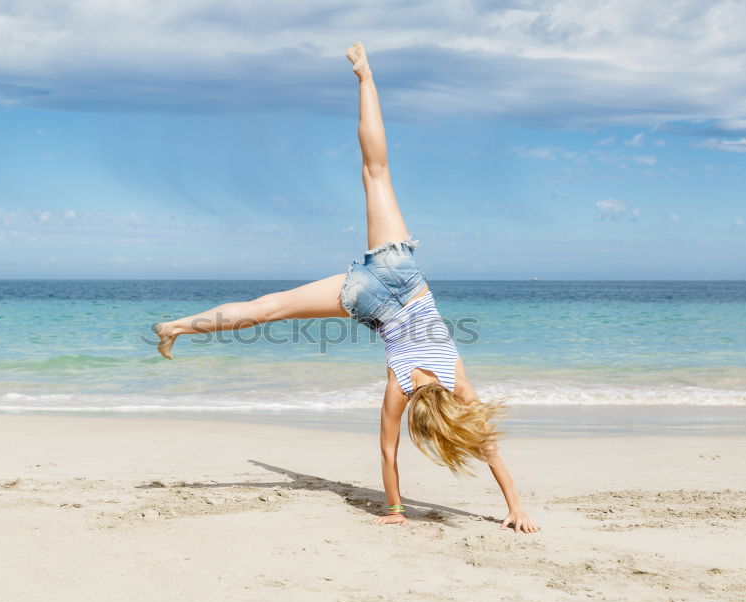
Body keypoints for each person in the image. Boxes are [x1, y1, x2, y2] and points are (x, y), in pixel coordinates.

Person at [152, 42, 538, 533]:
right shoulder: (402, 389)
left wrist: (508, 503)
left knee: (375, 172)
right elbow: (389, 451)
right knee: (268, 311)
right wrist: (402, 511)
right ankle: (177, 329)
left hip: (399, 273)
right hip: (368, 298)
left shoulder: (453, 377)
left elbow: (478, 437)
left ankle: (365, 76)